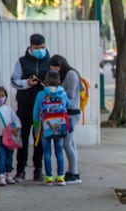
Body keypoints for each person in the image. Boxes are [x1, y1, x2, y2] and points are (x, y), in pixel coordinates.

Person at [11, 33, 50, 182]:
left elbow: (56, 81)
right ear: (30, 47)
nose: (40, 50)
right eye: (37, 48)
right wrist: (27, 83)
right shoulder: (21, 62)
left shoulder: (49, 60)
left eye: (43, 47)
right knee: (23, 139)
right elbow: (14, 81)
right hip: (25, 107)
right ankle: (20, 170)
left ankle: (38, 170)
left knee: (39, 139)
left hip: (42, 110)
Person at [33, 70, 70, 186]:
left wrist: (36, 128)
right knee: (59, 151)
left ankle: (48, 177)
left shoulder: (41, 94)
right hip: (59, 126)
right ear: (59, 81)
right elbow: (68, 104)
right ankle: (60, 177)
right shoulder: (62, 94)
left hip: (45, 127)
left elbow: (35, 112)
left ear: (45, 82)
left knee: (47, 152)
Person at [49, 55, 82, 184]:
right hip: (67, 113)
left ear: (61, 64)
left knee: (66, 143)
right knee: (71, 143)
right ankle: (73, 171)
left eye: (56, 67)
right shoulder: (66, 74)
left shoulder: (71, 74)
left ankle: (74, 173)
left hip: (71, 113)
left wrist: (54, 90)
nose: (54, 70)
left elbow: (70, 94)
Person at [0, 86, 22, 186]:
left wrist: (17, 127)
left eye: (3, 96)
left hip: (9, 138)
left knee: (9, 156)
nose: (0, 98)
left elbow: (16, 120)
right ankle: (1, 176)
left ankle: (8, 174)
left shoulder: (8, 109)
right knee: (1, 156)